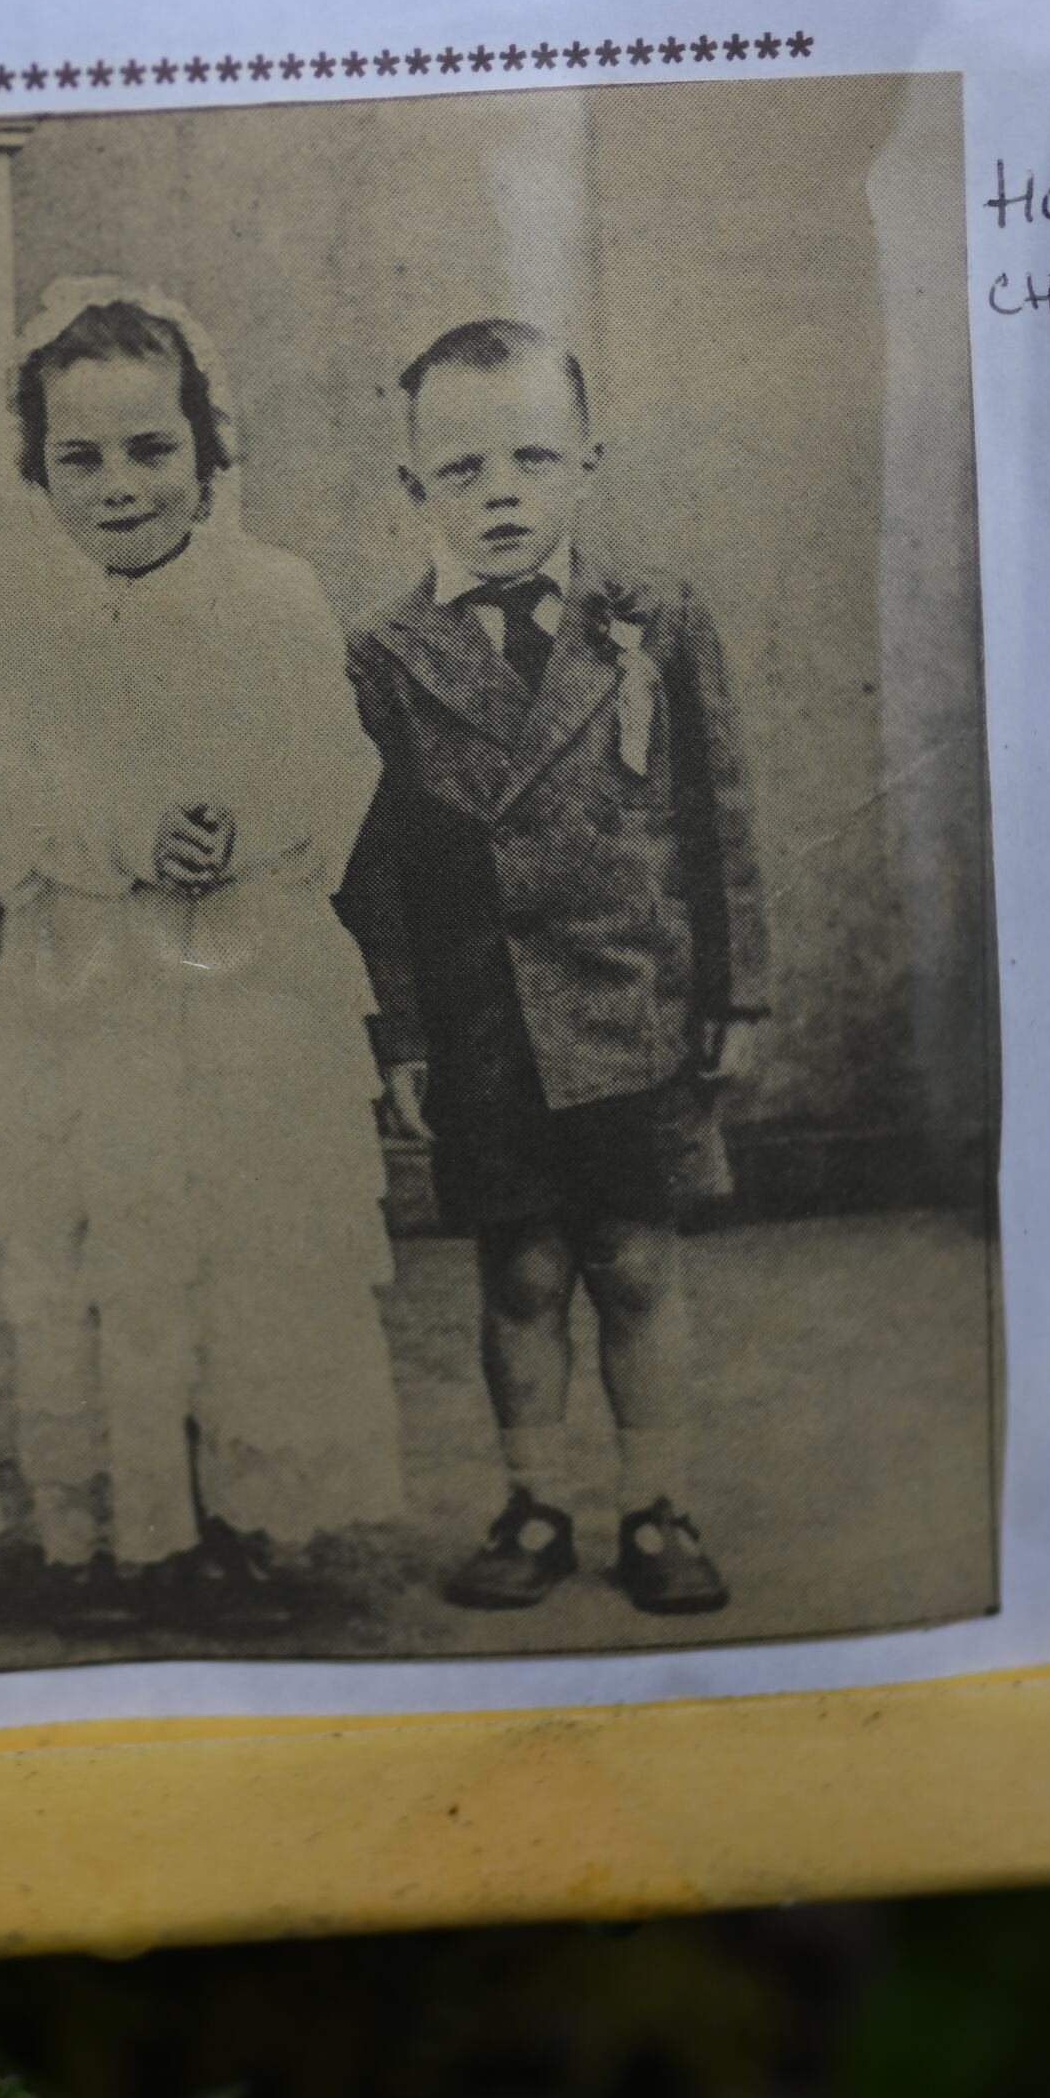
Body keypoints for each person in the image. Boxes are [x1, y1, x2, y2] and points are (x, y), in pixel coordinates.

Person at [0, 283, 405, 1634]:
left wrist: (244, 826)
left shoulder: (273, 596)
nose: (118, 487)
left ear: (209, 451)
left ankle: (246, 1518)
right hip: (82, 978)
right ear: (37, 468)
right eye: (78, 459)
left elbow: (334, 761)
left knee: (248, 1238)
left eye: (151, 451)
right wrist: (121, 834)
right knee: (100, 1242)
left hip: (247, 975)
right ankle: (117, 1526)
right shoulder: (11, 621)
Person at [338, 318, 767, 1619]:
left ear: (587, 460)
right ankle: (533, 1500)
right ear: (414, 490)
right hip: (489, 1028)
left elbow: (721, 816)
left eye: (531, 456)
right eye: (462, 469)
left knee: (637, 1261)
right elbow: (378, 870)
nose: (502, 492)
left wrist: (737, 990)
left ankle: (657, 1503)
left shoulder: (656, 619)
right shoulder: (386, 657)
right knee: (519, 1273)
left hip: (633, 1006)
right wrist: (401, 1036)